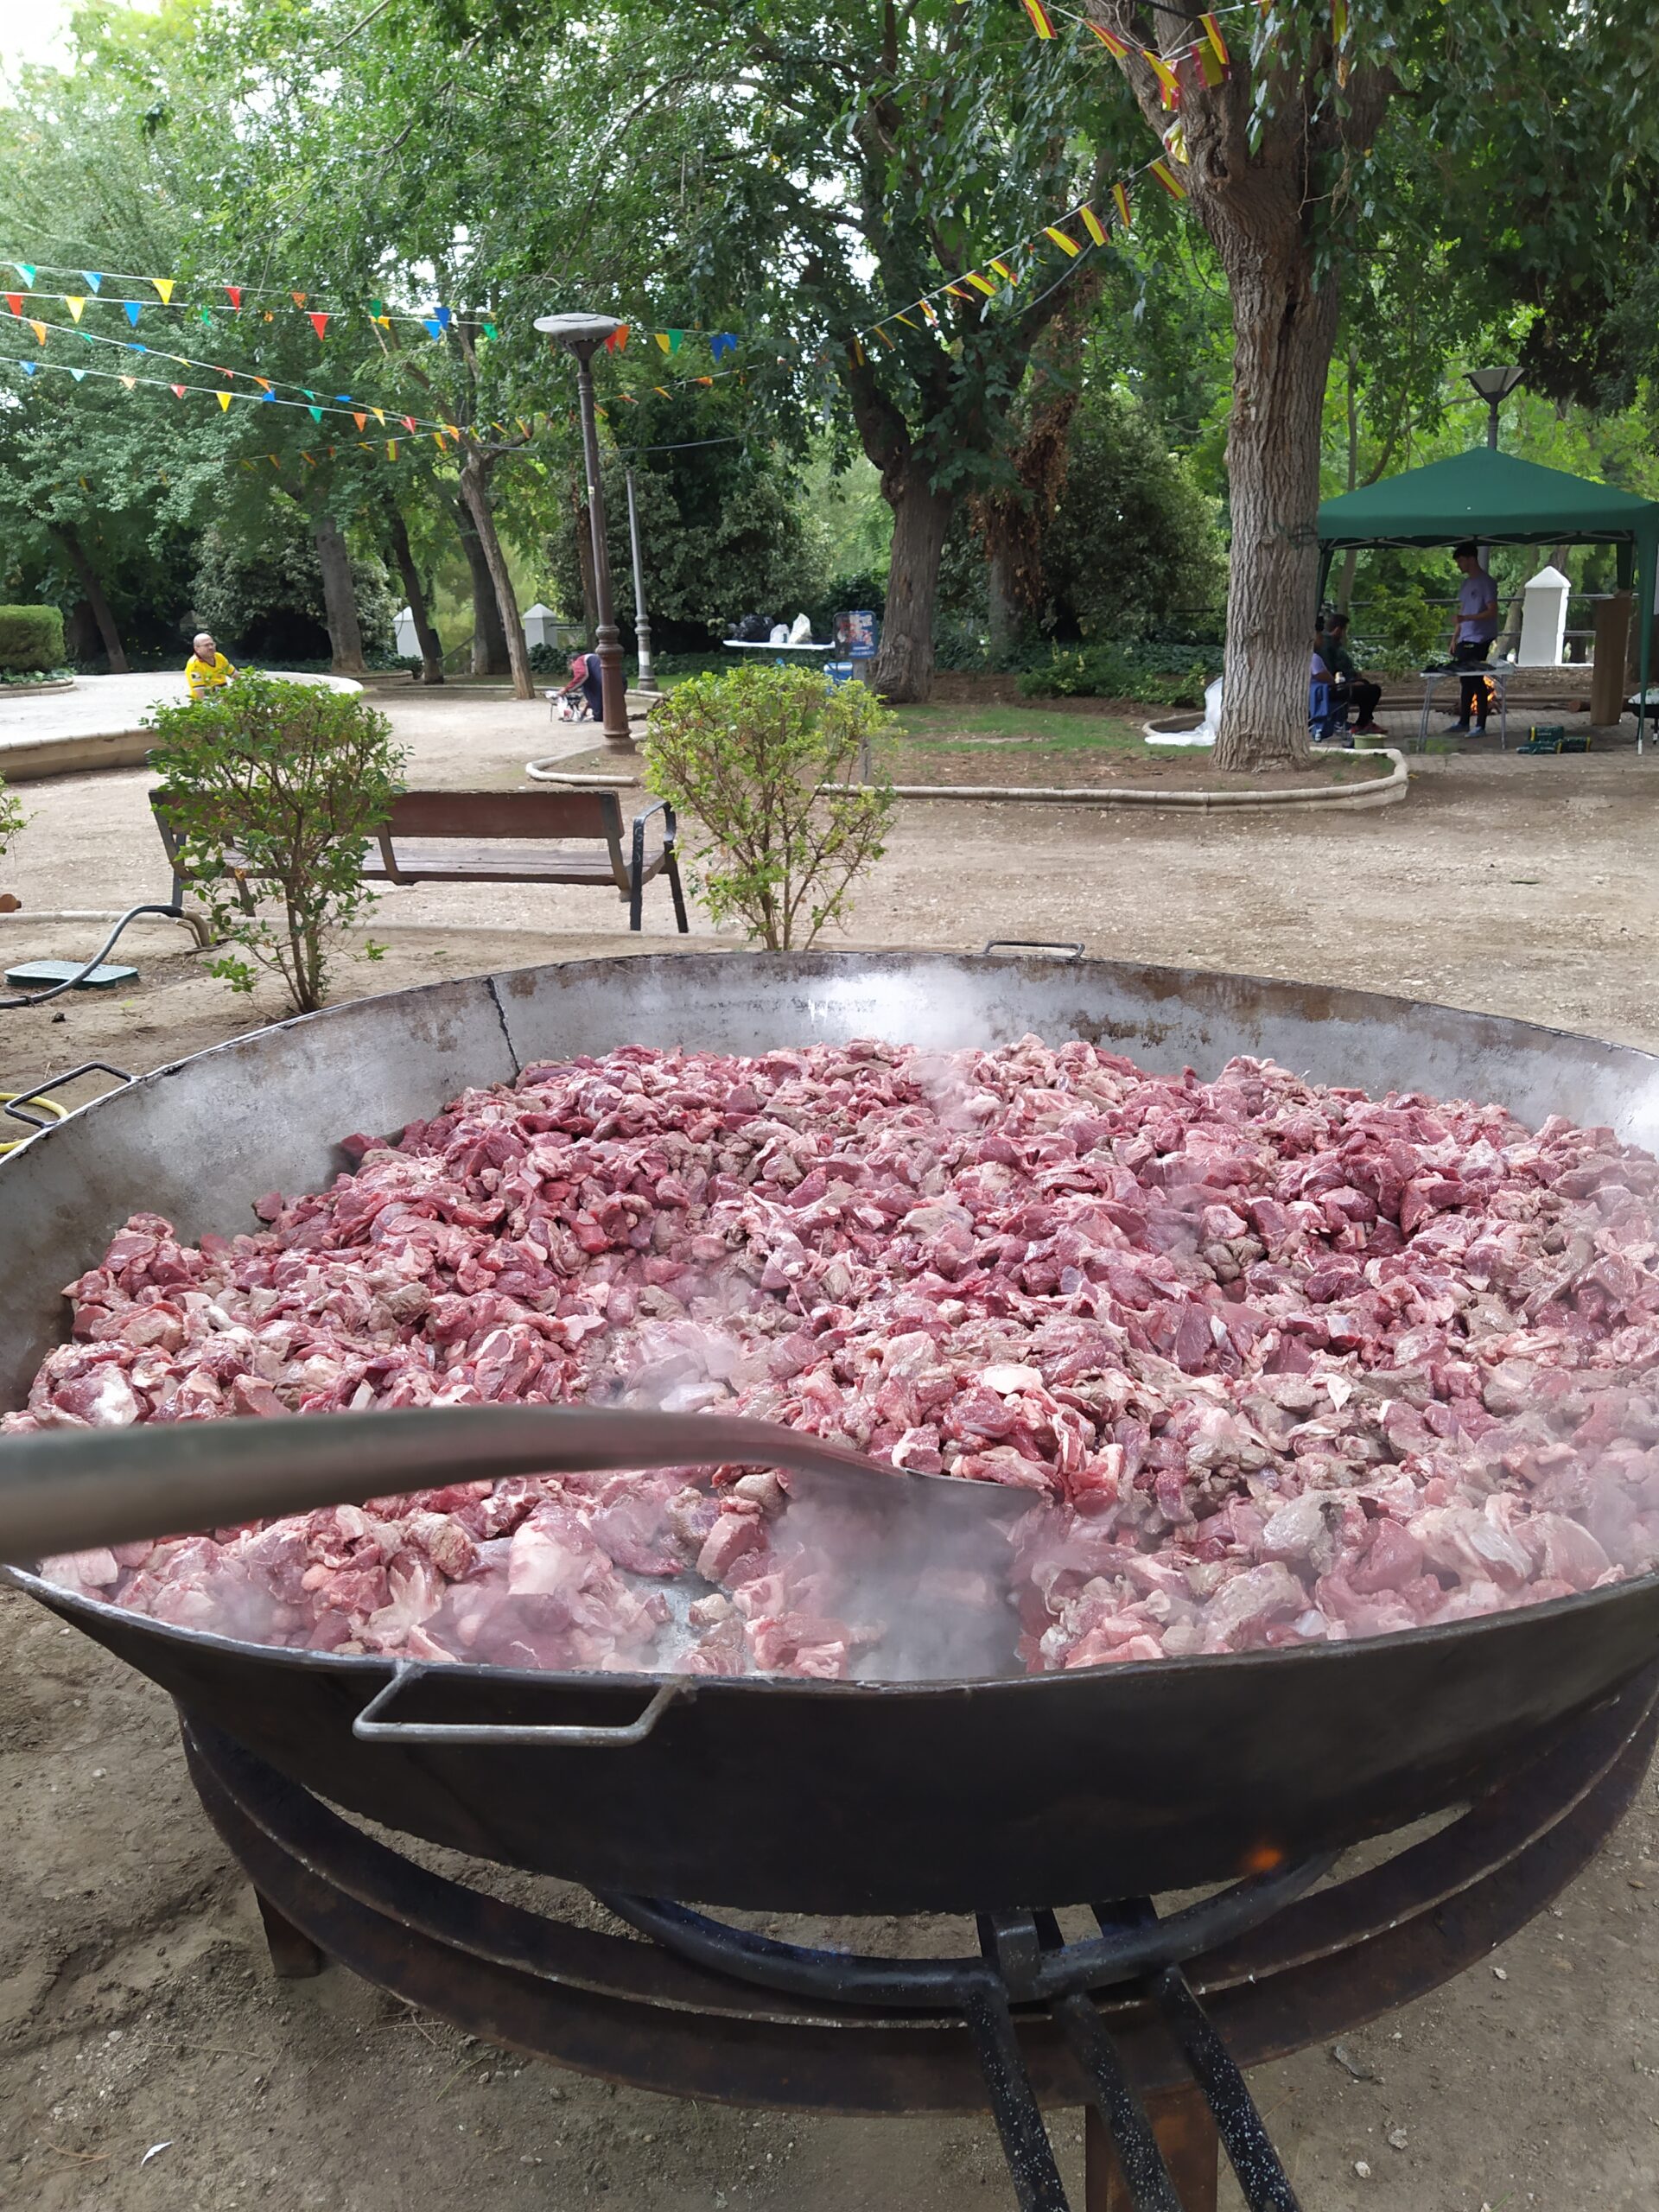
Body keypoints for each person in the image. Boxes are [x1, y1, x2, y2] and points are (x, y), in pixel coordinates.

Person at [1447, 541, 1498, 734]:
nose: (1459, 565)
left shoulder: (1486, 583)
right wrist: (1455, 638)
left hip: (1481, 637)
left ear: (1471, 559)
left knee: (1475, 678)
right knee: (1464, 679)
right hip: (1465, 636)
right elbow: (1463, 611)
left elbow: (1492, 611)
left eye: (1461, 560)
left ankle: (1481, 725)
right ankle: (1463, 721)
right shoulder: (1466, 584)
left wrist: (1467, 618)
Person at [1315, 611, 1384, 735]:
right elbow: (1329, 676)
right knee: (1373, 690)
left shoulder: (1319, 652)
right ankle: (1362, 723)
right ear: (1338, 630)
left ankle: (1365, 722)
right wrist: (1349, 683)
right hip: (1330, 690)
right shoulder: (1326, 649)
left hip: (1326, 688)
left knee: (1365, 685)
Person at [184, 632, 236, 702]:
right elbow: (200, 693)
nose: (211, 647)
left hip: (224, 699)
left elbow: (235, 675)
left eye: (212, 644)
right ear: (197, 649)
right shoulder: (194, 665)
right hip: (207, 703)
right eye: (206, 645)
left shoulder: (219, 657)